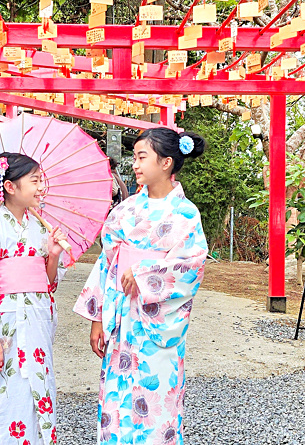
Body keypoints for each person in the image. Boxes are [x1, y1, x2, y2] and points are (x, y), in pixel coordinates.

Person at [74, 128, 208, 445]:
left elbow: (191, 267)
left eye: (141, 157)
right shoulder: (126, 210)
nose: (135, 164)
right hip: (121, 316)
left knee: (156, 395)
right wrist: (97, 318)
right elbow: (107, 263)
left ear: (166, 162)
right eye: (134, 157)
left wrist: (145, 272)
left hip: (155, 321)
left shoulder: (186, 214)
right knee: (116, 399)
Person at [0, 152, 67, 445]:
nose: (41, 187)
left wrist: (53, 255)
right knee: (3, 393)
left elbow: (48, 282)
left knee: (39, 391)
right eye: (34, 181)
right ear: (10, 187)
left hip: (36, 323)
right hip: (4, 323)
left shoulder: (40, 228)